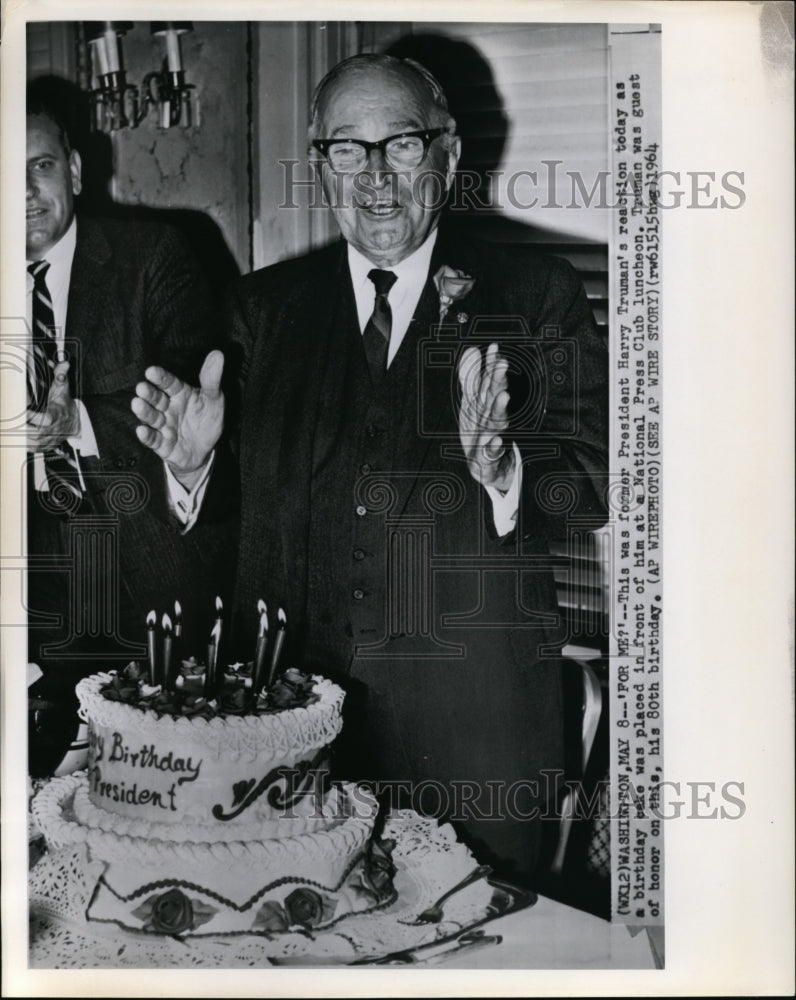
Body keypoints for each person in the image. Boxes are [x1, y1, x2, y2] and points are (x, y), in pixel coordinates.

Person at [133, 53, 607, 886]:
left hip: (477, 742)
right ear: (319, 165)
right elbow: (221, 529)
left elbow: (591, 484)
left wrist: (503, 468)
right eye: (348, 150)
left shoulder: (536, 293)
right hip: (291, 736)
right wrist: (194, 469)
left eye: (402, 146)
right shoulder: (261, 309)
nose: (377, 177)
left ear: (450, 155)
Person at [25, 94, 236, 776]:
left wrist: (75, 422)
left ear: (77, 173)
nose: (24, 191)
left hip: (145, 603)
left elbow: (191, 394)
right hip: (23, 611)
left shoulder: (154, 256)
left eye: (42, 165)